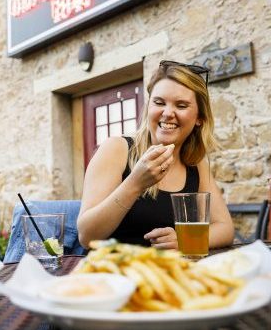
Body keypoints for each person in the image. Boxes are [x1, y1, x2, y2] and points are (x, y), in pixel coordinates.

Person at [77, 60, 234, 250]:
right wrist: (135, 183)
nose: (167, 113)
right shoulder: (116, 149)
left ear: (200, 118)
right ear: (148, 107)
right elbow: (86, 236)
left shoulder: (195, 162)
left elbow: (225, 229)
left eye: (181, 105)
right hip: (115, 273)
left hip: (168, 274)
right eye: (159, 102)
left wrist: (185, 240)